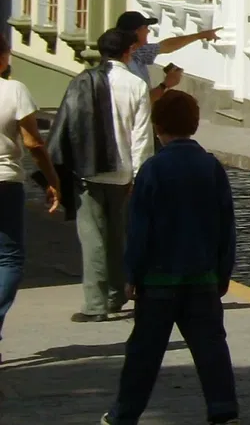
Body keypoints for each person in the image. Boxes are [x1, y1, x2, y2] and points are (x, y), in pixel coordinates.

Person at [102, 90, 237, 425]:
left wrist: (132, 273)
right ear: (193, 124)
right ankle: (223, 411)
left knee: (144, 354)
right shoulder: (211, 167)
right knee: (211, 350)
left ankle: (123, 415)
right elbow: (226, 225)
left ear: (157, 125)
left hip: (159, 279)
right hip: (202, 276)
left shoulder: (153, 169)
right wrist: (222, 272)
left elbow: (140, 228)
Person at [49, 28, 152, 322]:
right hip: (123, 172)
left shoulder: (81, 81)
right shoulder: (136, 85)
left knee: (93, 236)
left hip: (89, 170)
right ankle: (116, 294)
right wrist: (139, 174)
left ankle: (95, 303)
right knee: (118, 235)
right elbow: (141, 135)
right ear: (128, 51)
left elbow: (66, 126)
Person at [1, 28, 62, 360]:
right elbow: (34, 142)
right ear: (3, 58)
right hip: (5, 181)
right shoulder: (14, 90)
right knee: (8, 257)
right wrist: (52, 179)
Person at [115, 11, 219, 102]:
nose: (148, 31)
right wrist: (166, 84)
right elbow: (144, 102)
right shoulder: (125, 63)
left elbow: (166, 46)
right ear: (136, 32)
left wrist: (200, 35)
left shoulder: (138, 51)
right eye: (145, 27)